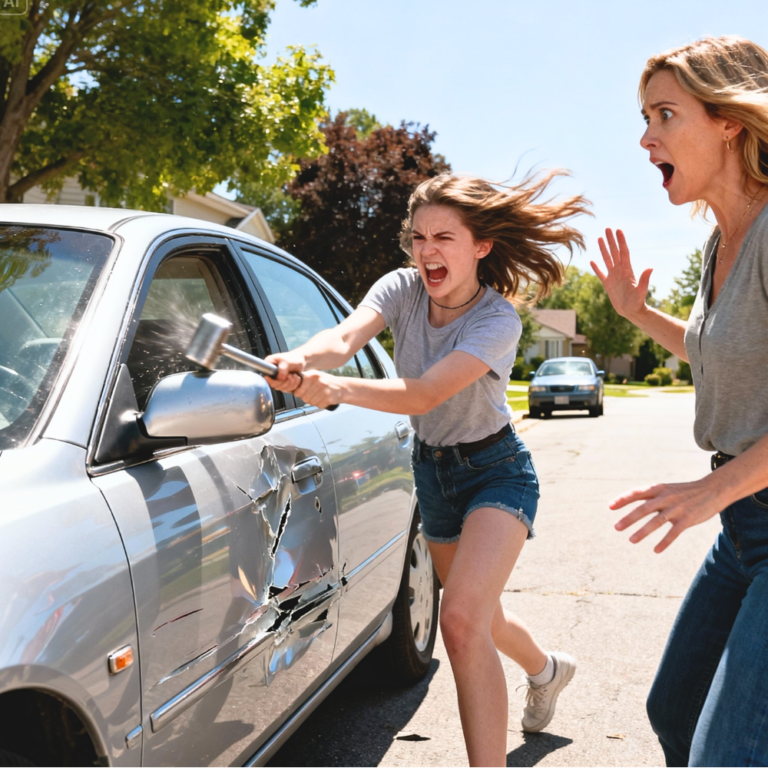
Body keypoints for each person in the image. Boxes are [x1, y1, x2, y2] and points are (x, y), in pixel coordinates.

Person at [266, 172, 589, 766]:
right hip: (433, 475)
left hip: (497, 471)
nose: (427, 250)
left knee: (460, 620)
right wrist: (298, 359)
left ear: (481, 246)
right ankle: (546, 670)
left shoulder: (497, 321)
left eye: (444, 236)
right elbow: (341, 337)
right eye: (418, 237)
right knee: (482, 618)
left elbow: (422, 395)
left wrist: (336, 388)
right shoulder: (401, 289)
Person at [591, 36, 768, 767]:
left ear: (730, 118)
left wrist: (710, 489)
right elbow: (723, 349)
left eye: (665, 114)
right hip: (746, 529)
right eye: (644, 116)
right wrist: (637, 314)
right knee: (676, 709)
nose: (646, 137)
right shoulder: (721, 244)